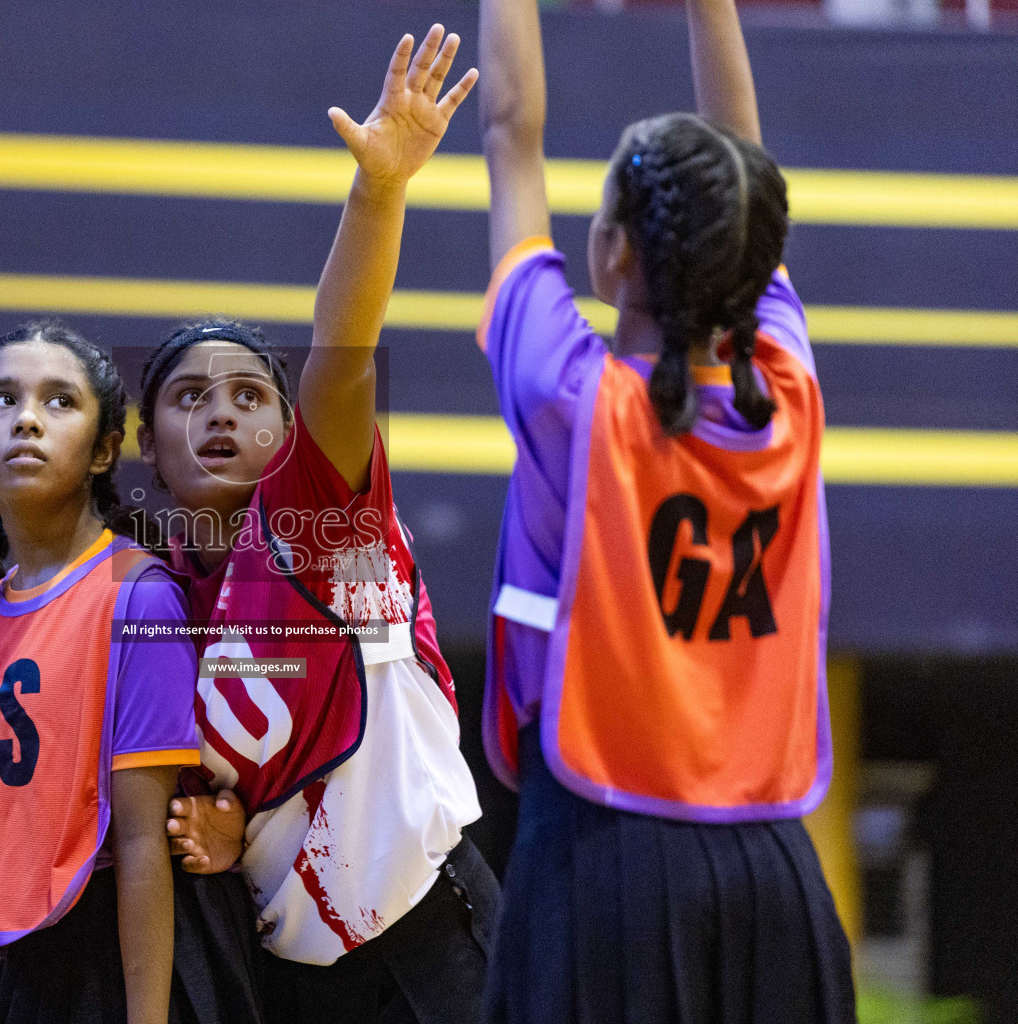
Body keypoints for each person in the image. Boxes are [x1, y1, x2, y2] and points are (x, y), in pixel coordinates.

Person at [475, 0, 856, 1016]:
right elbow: (742, 159)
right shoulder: (791, 387)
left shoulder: (573, 395)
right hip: (776, 878)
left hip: (606, 865)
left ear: (611, 256)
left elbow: (510, 133)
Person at [149, 26, 497, 1024]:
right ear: (151, 452)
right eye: (188, 397)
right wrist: (214, 824)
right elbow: (183, 803)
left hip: (432, 943)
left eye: (247, 394)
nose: (219, 413)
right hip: (292, 977)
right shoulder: (146, 592)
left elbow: (341, 359)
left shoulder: (309, 507)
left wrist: (378, 190)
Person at [0, 322, 209, 1024]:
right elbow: (8, 853)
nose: (26, 417)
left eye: (59, 401)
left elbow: (142, 844)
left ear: (104, 449)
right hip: (24, 973)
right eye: (1, 400)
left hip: (116, 968)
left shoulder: (140, 594)